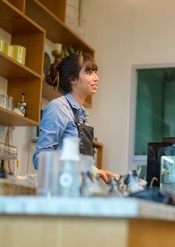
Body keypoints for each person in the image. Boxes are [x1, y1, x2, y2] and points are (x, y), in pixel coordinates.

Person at [33, 53, 114, 183]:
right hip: (59, 190)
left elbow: (76, 159)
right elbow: (40, 158)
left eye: (95, 72)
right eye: (89, 72)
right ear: (73, 79)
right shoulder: (58, 107)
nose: (96, 78)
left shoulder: (81, 113)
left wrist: (97, 171)